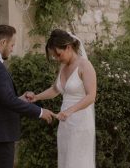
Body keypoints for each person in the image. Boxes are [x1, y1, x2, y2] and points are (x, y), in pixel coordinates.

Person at [0, 24, 54, 168]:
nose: (12, 49)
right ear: (3, 42)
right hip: (0, 135)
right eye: (12, 45)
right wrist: (40, 112)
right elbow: (8, 101)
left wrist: (20, 99)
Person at [24, 29, 97, 168]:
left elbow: (91, 96)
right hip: (65, 122)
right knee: (65, 160)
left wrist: (70, 111)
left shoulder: (85, 66)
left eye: (59, 54)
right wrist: (36, 97)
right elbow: (56, 89)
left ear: (68, 47)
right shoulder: (63, 67)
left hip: (81, 122)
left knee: (78, 162)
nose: (57, 59)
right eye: (55, 56)